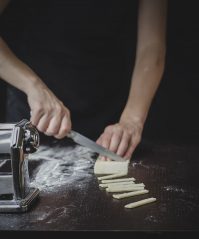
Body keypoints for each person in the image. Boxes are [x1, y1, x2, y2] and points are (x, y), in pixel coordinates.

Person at [0, 0, 167, 159]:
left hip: (107, 118)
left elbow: (151, 47)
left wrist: (132, 120)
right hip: (33, 112)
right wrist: (33, 86)